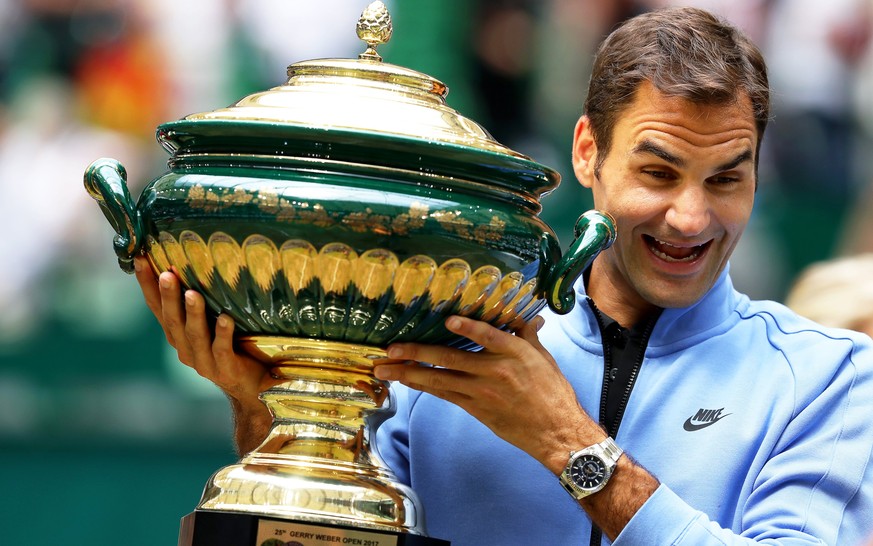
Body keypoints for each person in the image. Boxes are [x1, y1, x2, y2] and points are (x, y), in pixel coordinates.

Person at [134, 7, 873, 545]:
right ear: (587, 152)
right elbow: (325, 531)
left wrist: (566, 444)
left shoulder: (832, 377)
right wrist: (270, 408)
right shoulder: (444, 338)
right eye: (658, 172)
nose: (689, 216)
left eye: (724, 180)